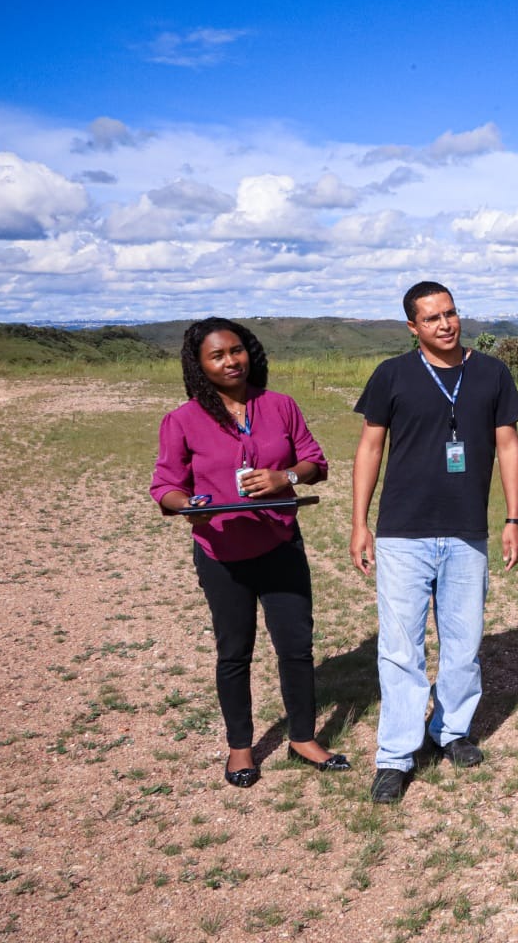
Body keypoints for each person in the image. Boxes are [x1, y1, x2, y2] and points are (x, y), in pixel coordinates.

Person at [150, 318, 349, 788]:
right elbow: (165, 487)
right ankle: (241, 747)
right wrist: (188, 507)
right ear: (199, 366)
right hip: (221, 552)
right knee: (234, 652)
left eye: (236, 350)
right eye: (216, 356)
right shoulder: (182, 420)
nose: (230, 361)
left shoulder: (279, 406)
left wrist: (287, 477)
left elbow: (315, 462)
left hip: (280, 544)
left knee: (296, 648)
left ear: (250, 352)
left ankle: (303, 738)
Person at [350, 281, 518, 804]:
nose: (445, 324)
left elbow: (509, 446)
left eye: (450, 313)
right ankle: (395, 755)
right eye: (431, 318)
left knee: (464, 642)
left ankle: (451, 731)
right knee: (401, 648)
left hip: (467, 531)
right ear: (413, 327)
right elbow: (369, 448)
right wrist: (359, 522)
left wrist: (514, 517)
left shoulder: (491, 372)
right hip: (403, 532)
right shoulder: (393, 375)